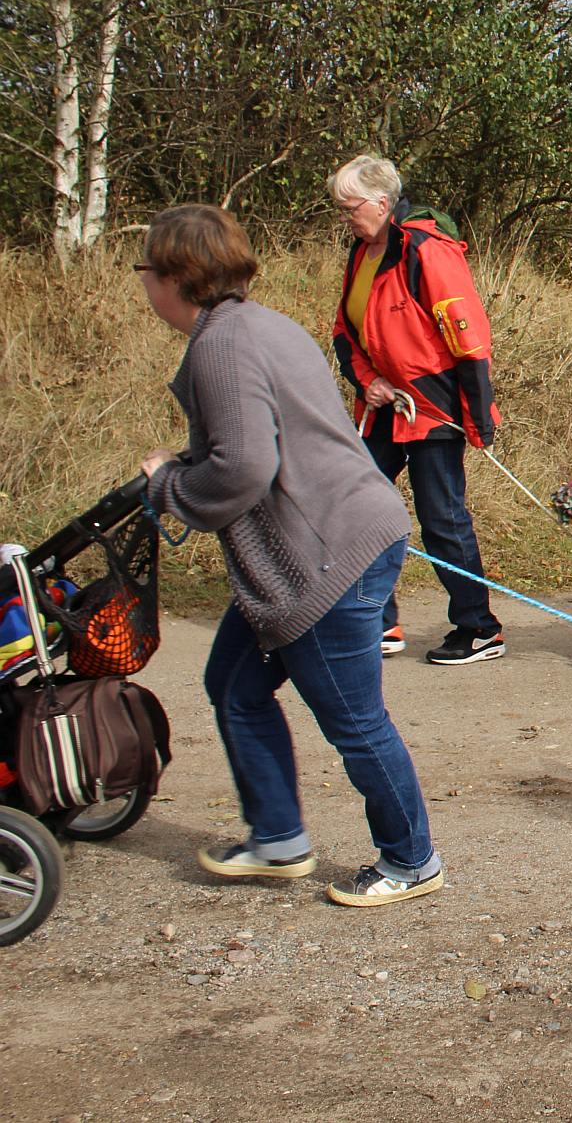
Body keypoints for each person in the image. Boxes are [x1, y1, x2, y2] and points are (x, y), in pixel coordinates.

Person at [137, 203, 443, 907]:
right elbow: (260, 442)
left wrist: (167, 484)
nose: (143, 282)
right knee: (235, 686)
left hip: (325, 558)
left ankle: (412, 858)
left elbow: (243, 468)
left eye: (145, 269)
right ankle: (277, 838)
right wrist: (185, 465)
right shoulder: (258, 325)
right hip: (320, 548)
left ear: (177, 275)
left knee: (355, 721)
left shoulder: (221, 345)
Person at [328, 155, 505, 666]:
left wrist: (478, 418)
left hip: (433, 407)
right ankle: (377, 621)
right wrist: (369, 382)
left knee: (441, 520)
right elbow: (345, 331)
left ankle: (479, 629)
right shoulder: (361, 253)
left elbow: (469, 337)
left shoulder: (427, 250)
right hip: (383, 406)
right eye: (340, 208)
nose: (345, 217)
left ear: (381, 203)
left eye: (350, 207)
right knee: (358, 507)